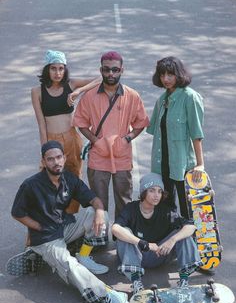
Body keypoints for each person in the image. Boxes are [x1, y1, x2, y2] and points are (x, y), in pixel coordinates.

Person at [11, 140, 129, 303]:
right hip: (45, 238)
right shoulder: (31, 185)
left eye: (59, 157)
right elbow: (17, 212)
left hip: (64, 227)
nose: (56, 162)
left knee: (99, 213)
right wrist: (37, 226)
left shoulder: (69, 178)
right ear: (43, 162)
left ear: (64, 158)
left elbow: (94, 200)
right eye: (50, 159)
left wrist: (99, 211)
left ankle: (83, 256)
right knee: (68, 264)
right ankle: (107, 294)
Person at [73, 51, 150, 220]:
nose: (110, 74)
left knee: (124, 199)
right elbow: (80, 122)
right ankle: (99, 236)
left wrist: (127, 139)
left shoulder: (132, 95)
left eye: (115, 70)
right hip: (98, 156)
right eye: (106, 70)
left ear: (122, 70)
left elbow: (141, 123)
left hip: (122, 156)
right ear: (100, 70)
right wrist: (95, 141)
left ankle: (122, 235)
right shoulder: (90, 96)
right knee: (98, 200)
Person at [31, 49, 100, 214]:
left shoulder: (71, 84)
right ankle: (48, 218)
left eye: (61, 68)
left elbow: (100, 79)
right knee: (47, 180)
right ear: (47, 69)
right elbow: (41, 123)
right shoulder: (37, 91)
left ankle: (71, 218)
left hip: (71, 139)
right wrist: (45, 148)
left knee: (74, 177)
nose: (57, 72)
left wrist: (78, 91)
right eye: (53, 68)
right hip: (51, 140)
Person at [112, 173, 202, 294]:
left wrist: (172, 240)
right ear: (144, 192)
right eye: (152, 190)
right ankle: (136, 282)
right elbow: (115, 228)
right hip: (137, 256)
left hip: (160, 254)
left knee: (183, 233)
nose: (157, 195)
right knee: (124, 232)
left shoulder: (165, 210)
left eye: (160, 191)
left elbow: (191, 226)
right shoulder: (131, 208)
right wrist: (142, 243)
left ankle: (184, 280)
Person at [147, 56, 204, 219]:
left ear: (179, 75)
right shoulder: (162, 100)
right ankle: (170, 240)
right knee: (165, 206)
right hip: (162, 163)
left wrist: (200, 164)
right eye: (162, 75)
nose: (165, 79)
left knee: (188, 207)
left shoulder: (190, 97)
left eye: (170, 75)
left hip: (182, 164)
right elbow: (154, 130)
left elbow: (196, 133)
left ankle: (189, 242)